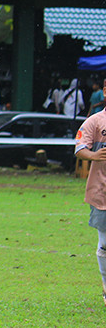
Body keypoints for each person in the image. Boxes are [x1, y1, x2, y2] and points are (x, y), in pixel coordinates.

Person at [74, 109, 106, 307]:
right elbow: (79, 148)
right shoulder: (95, 121)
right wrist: (94, 155)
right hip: (102, 192)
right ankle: (105, 285)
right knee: (104, 242)